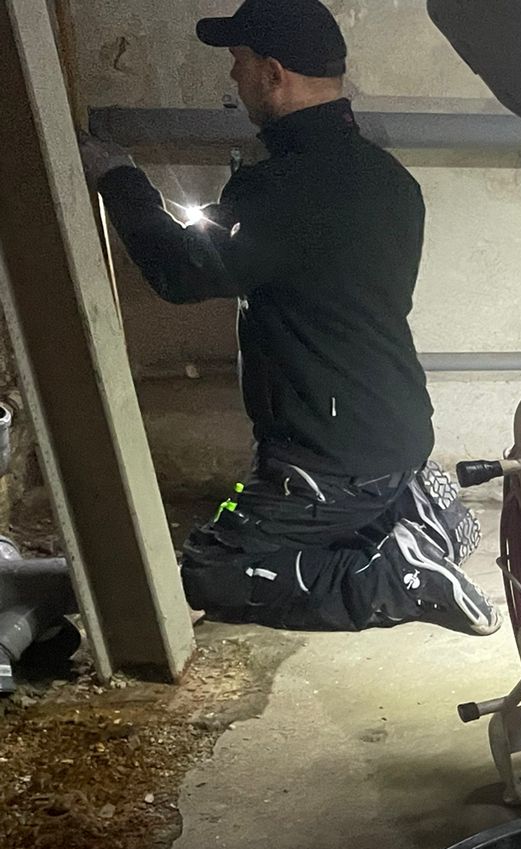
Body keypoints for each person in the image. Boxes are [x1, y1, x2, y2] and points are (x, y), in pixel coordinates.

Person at [76, 0, 499, 635]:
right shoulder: (389, 180)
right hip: (394, 428)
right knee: (315, 532)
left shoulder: (283, 188)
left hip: (325, 454)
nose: (233, 76)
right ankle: (412, 516)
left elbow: (183, 272)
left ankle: (392, 580)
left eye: (238, 61)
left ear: (273, 73)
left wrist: (120, 179)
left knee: (212, 569)